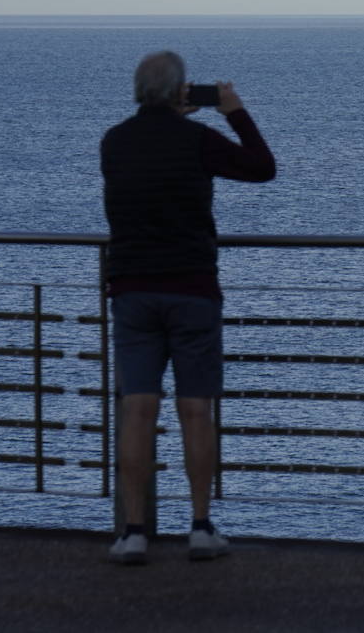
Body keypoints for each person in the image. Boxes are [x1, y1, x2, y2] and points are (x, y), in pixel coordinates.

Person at [101, 50, 276, 565]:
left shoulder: (114, 141)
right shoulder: (198, 140)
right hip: (192, 288)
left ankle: (133, 532)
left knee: (137, 409)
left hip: (132, 289)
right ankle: (200, 527)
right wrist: (233, 112)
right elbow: (262, 168)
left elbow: (145, 175)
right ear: (182, 91)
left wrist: (171, 114)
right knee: (196, 409)